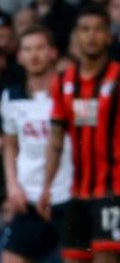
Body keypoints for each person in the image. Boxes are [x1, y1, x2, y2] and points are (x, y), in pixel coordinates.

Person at [38, 8, 120, 262]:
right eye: (85, 29)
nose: (92, 36)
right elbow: (55, 139)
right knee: (72, 258)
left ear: (108, 36)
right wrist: (46, 187)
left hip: (115, 189)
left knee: (106, 258)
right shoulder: (63, 81)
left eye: (98, 29)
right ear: (76, 36)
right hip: (76, 191)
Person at [1, 25, 73, 263]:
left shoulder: (70, 94)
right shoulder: (11, 96)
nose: (34, 55)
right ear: (19, 56)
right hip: (28, 199)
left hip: (68, 196)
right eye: (28, 49)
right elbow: (10, 143)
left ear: (53, 53)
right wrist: (12, 186)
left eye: (40, 48)